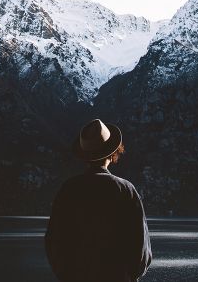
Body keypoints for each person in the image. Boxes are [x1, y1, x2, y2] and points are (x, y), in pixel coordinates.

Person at [45, 119, 152, 282]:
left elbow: (54, 241)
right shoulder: (126, 189)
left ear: (85, 156)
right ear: (112, 152)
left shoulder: (69, 189)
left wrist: (67, 274)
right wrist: (129, 275)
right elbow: (140, 245)